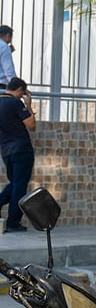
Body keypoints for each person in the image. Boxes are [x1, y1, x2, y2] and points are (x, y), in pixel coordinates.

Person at [0, 77, 36, 233]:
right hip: (21, 149)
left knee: (15, 183)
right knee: (19, 186)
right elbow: (31, 125)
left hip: (6, 151)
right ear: (20, 90)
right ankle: (13, 223)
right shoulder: (15, 103)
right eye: (23, 93)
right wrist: (28, 105)